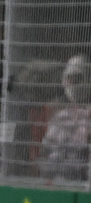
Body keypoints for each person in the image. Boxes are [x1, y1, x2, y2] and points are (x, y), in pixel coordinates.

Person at [39, 54, 91, 184]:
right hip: (57, 186)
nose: (72, 83)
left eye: (77, 78)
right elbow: (44, 154)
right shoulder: (60, 118)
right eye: (69, 78)